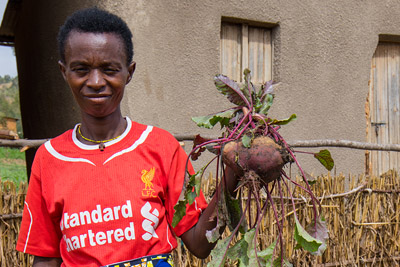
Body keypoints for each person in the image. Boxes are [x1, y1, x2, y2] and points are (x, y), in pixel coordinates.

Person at [16, 7, 238, 267]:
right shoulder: (49, 158)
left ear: (129, 72)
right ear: (64, 72)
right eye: (81, 69)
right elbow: (46, 259)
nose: (96, 81)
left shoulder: (161, 148)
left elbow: (200, 244)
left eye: (109, 69)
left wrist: (235, 173)